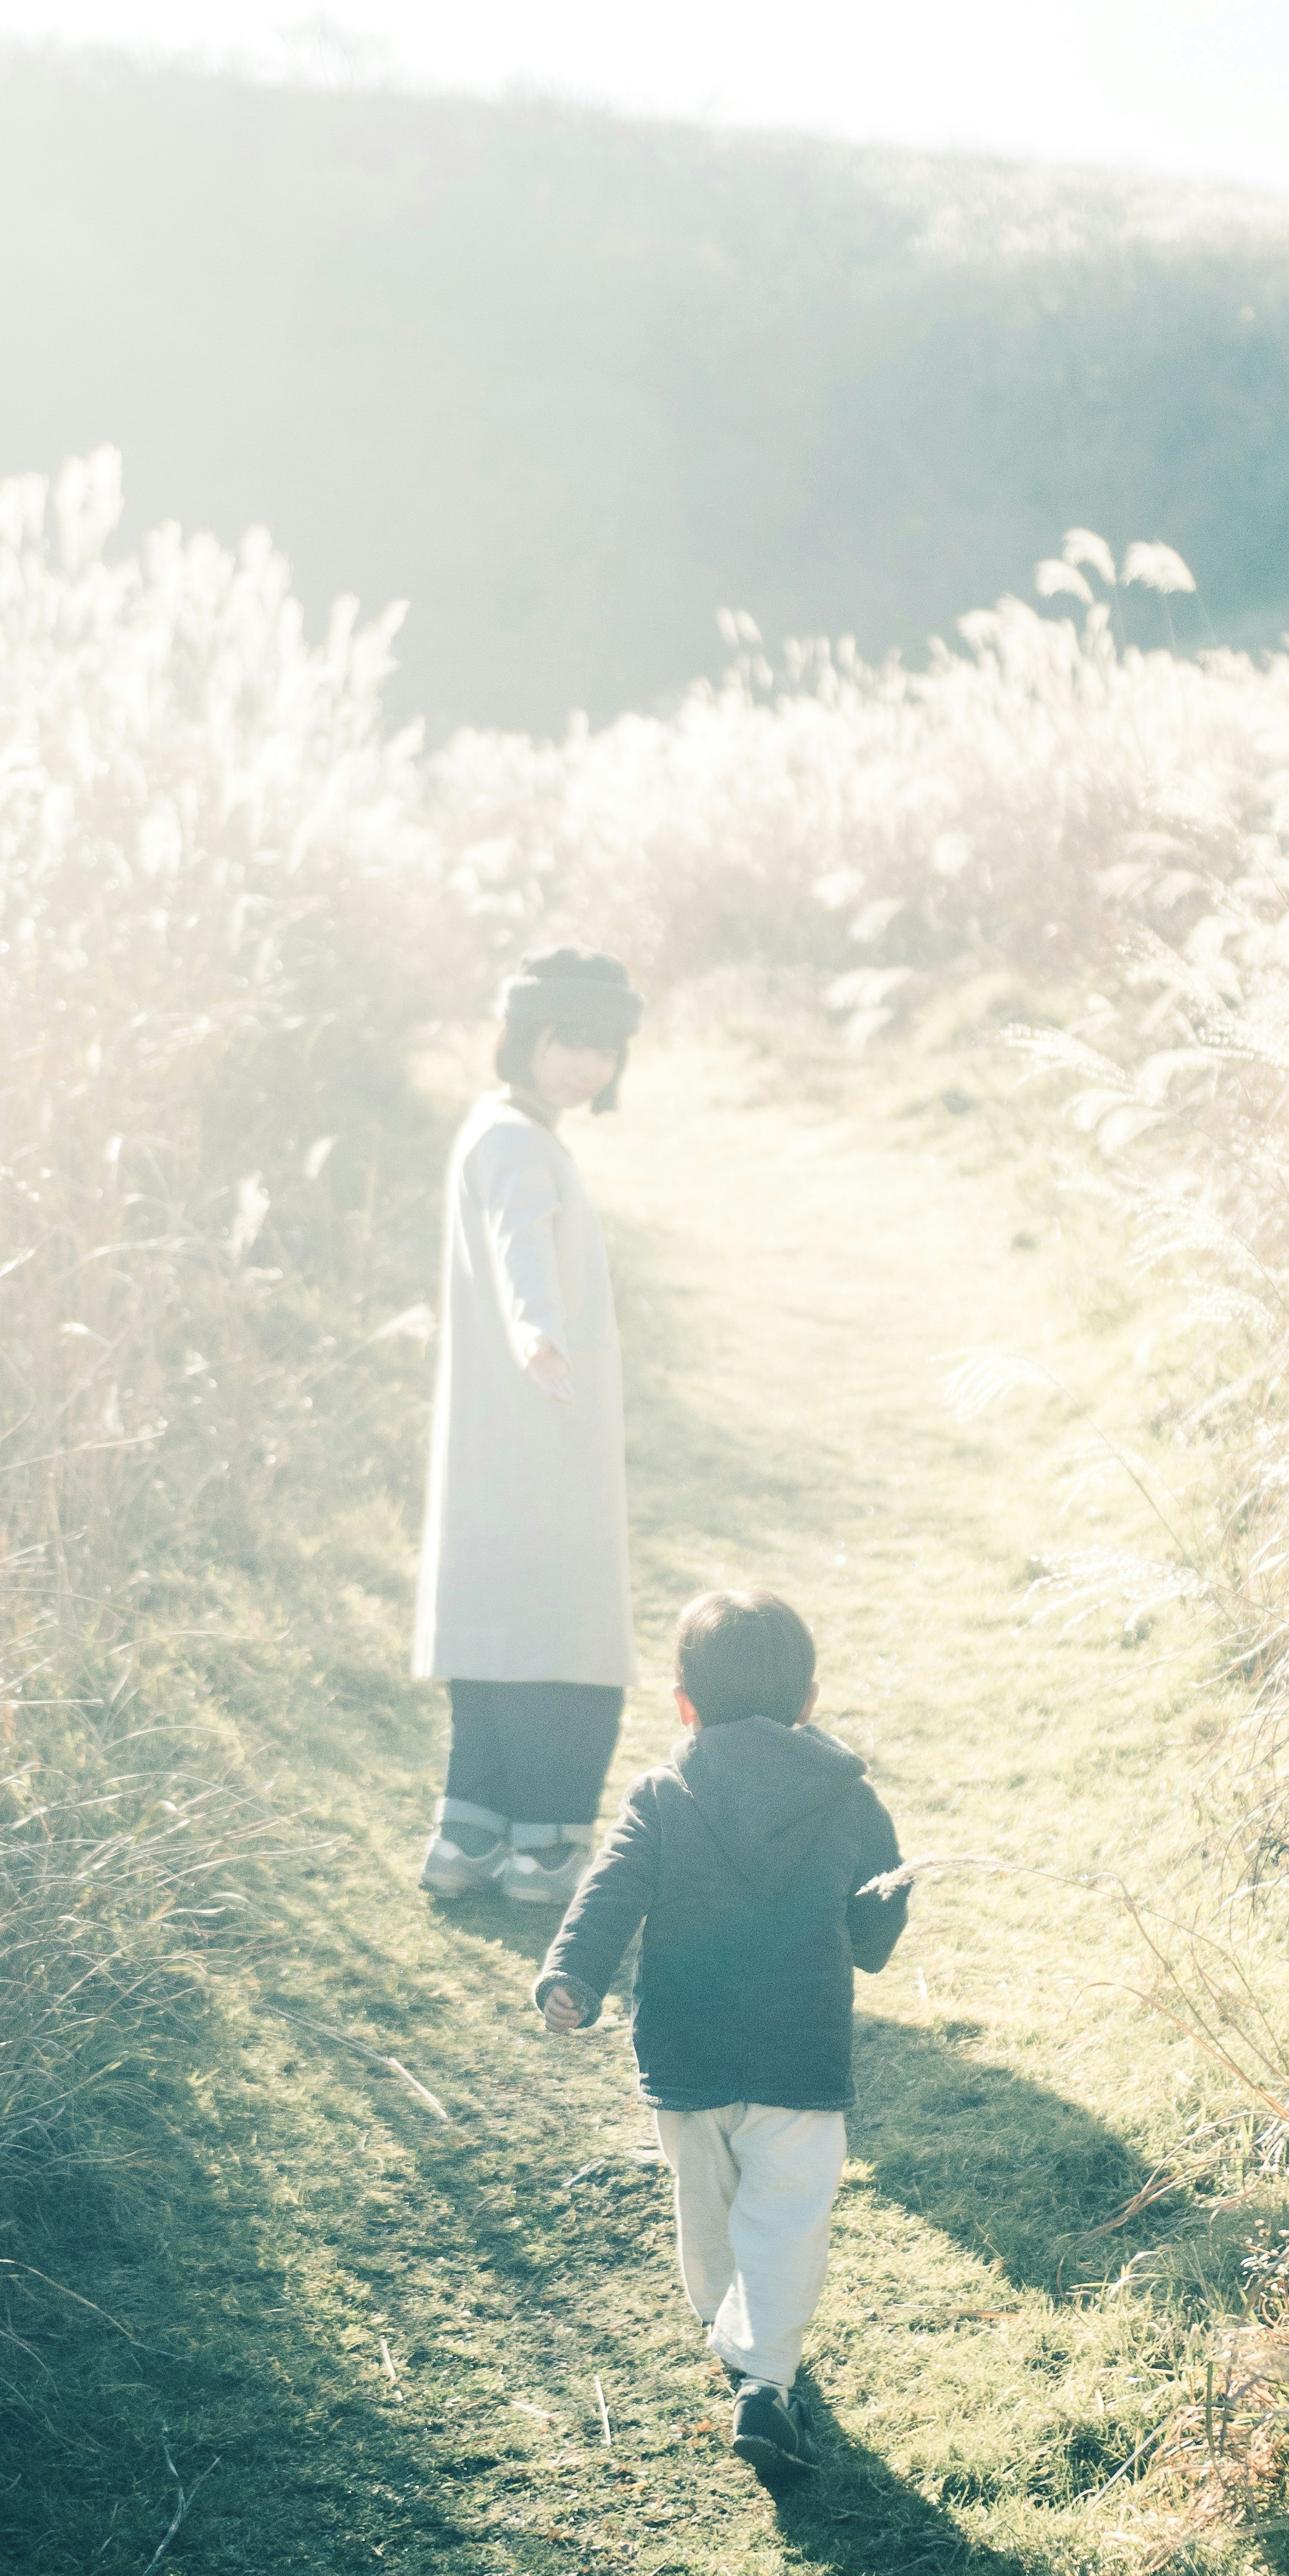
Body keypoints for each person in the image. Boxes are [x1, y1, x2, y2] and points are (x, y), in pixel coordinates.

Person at [532, 1587, 909, 2486]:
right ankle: (766, 2376)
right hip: (799, 2051)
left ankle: (739, 2348)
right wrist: (865, 1943)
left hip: (687, 2052)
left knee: (706, 2216)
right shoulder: (848, 1798)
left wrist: (572, 1974)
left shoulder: (663, 1795)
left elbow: (610, 1889)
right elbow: (883, 1895)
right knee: (785, 2219)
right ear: (808, 1703)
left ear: (684, 1705)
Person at [413, 945, 644, 1914]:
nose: (583, 1066)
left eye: (603, 1047)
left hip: (501, 1433)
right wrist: (539, 1331)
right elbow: (521, 1248)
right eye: (566, 1042)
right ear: (523, 1037)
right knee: (572, 1642)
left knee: (498, 1629)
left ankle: (472, 1838)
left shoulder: (501, 1127)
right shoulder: (517, 1144)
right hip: (539, 1424)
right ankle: (547, 1856)